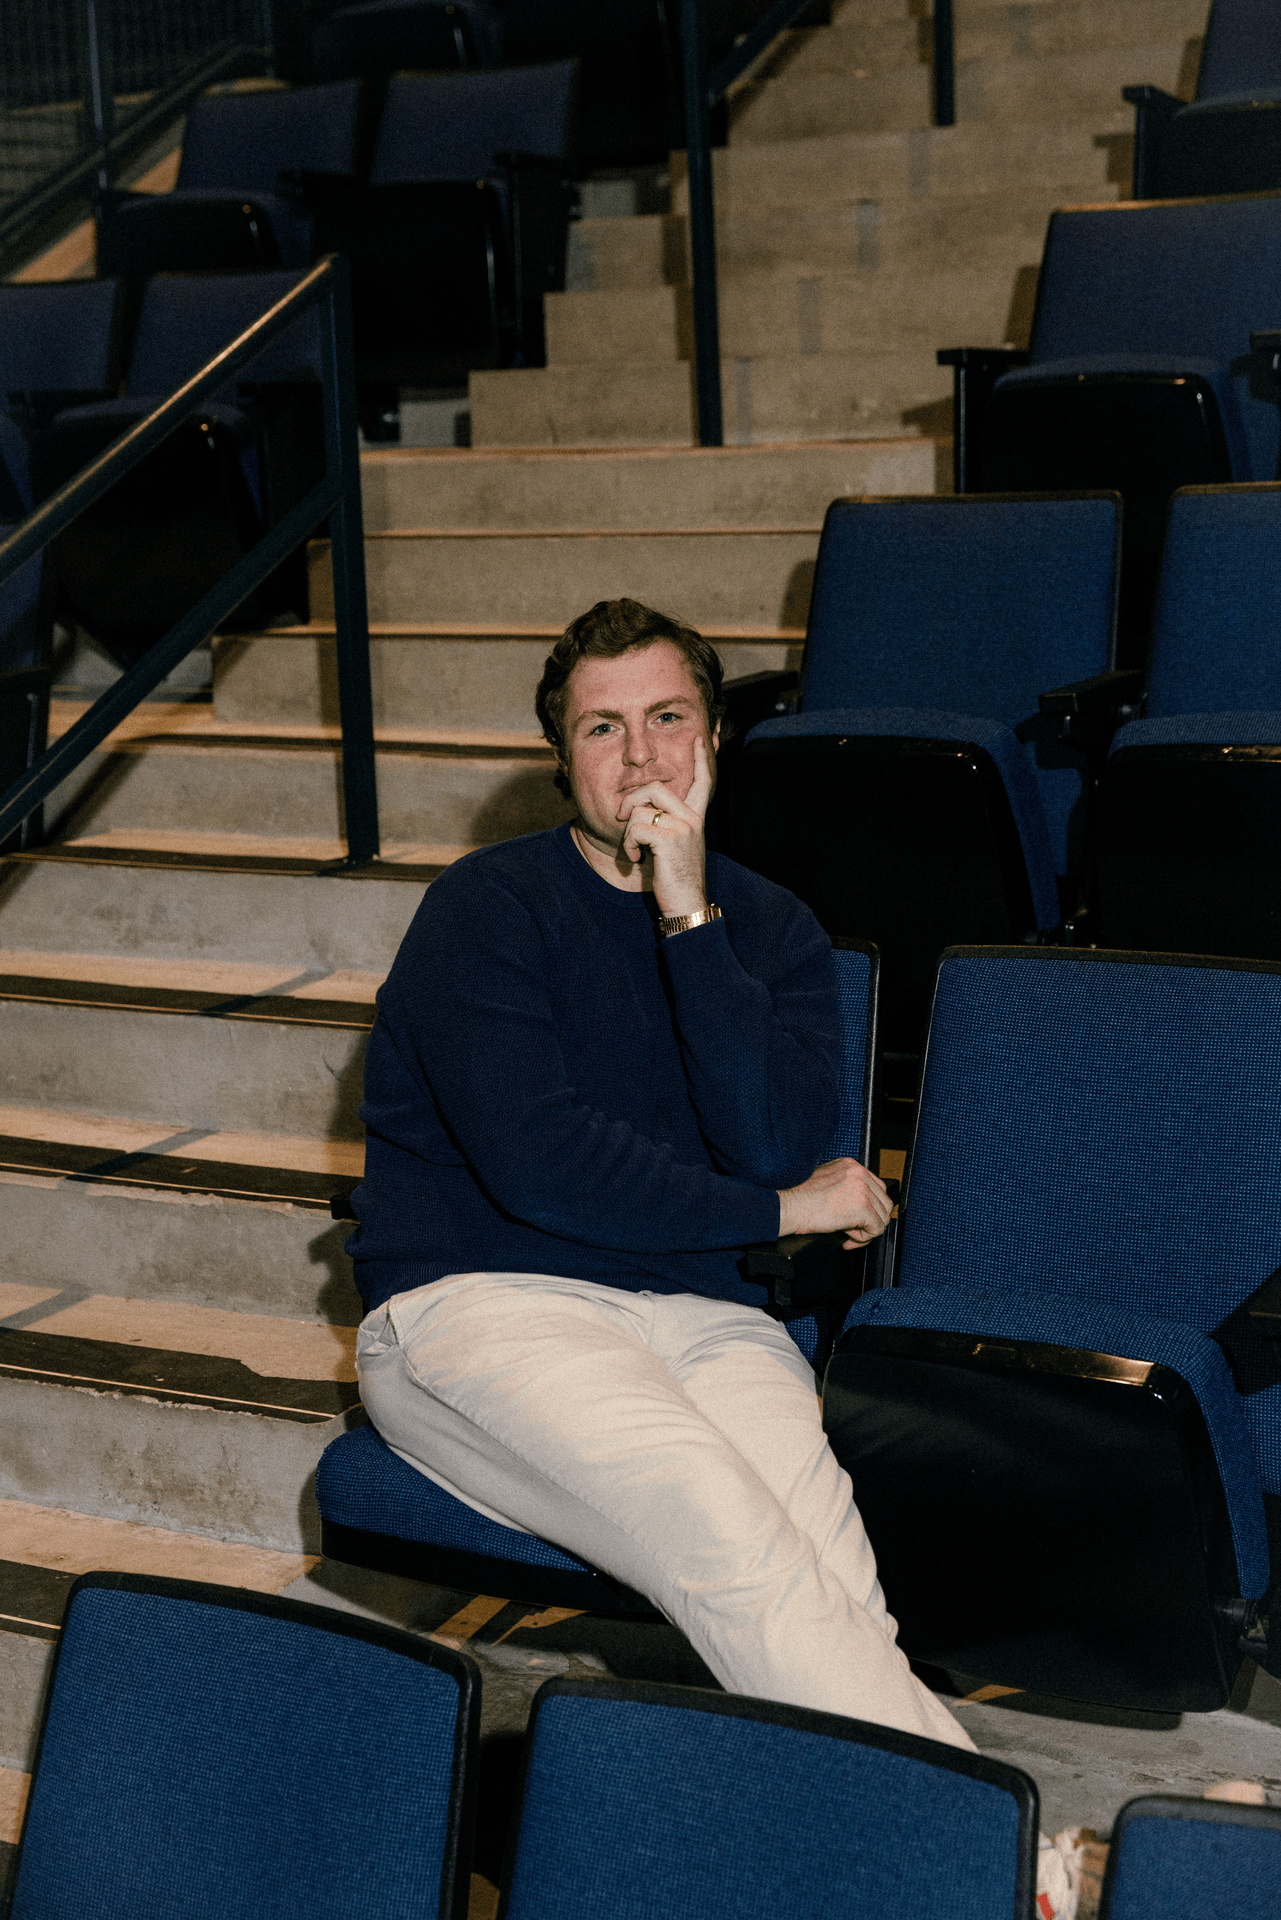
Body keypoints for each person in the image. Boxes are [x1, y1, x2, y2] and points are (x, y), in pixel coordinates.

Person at [347, 595, 969, 1750]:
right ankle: (1014, 1867)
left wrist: (690, 917)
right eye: (601, 728)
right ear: (560, 756)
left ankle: (903, 1853)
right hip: (485, 1306)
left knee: (836, 1582)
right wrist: (783, 1211)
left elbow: (775, 1137)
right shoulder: (485, 909)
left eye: (669, 717)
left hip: (709, 1317)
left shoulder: (773, 930)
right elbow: (550, 1168)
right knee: (729, 1541)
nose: (640, 756)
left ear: (714, 740)